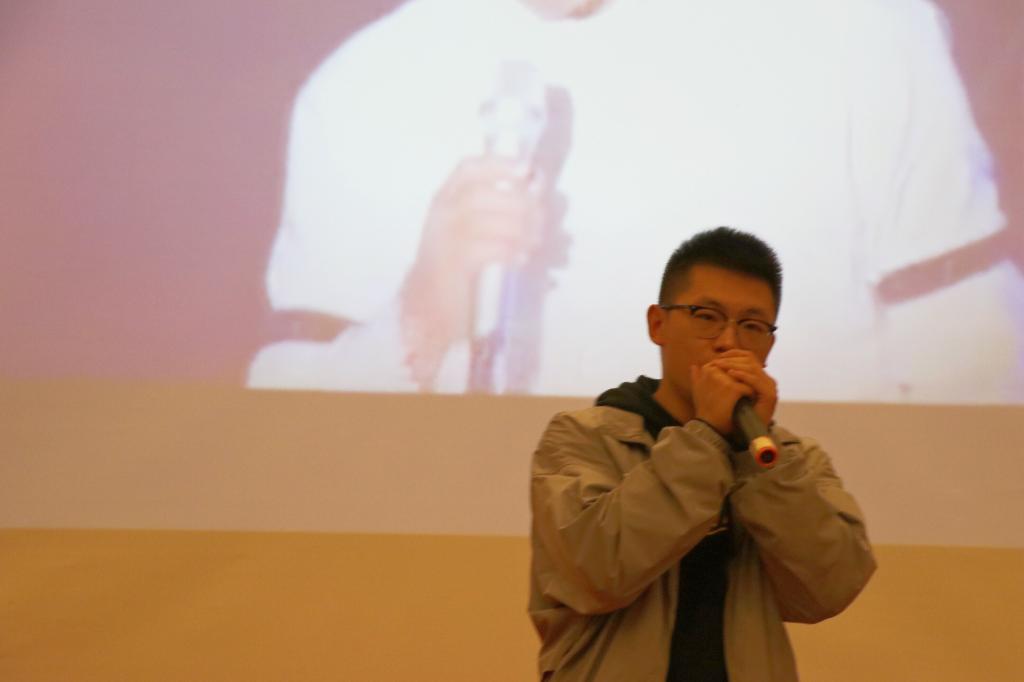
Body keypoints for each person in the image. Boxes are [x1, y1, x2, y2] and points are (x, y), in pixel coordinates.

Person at [249, 0, 1022, 402]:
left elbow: (977, 365)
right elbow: (290, 451)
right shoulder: (360, 88)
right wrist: (420, 315)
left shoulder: (861, 31)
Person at [528, 227, 876, 681]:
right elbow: (596, 572)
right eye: (707, 316)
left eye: (752, 326)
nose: (729, 341)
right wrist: (707, 436)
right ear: (658, 324)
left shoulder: (787, 458)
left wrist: (757, 463)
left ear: (769, 345)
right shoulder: (582, 438)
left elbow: (830, 588)